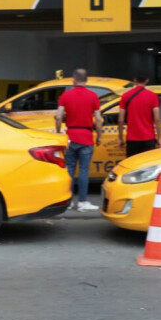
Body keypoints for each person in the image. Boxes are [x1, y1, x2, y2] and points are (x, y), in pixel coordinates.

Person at [55, 68, 103, 212]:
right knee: (83, 170)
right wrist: (99, 135)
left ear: (73, 80)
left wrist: (58, 132)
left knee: (69, 169)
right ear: (86, 80)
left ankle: (68, 201)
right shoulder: (93, 96)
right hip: (86, 137)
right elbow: (99, 119)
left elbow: (58, 117)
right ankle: (83, 202)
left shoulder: (65, 95)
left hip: (71, 136)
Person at [118, 76, 161, 157]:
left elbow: (120, 120)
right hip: (149, 138)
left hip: (132, 139)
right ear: (147, 80)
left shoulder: (125, 96)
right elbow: (157, 119)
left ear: (134, 80)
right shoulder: (153, 96)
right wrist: (159, 138)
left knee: (132, 165)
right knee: (147, 166)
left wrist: (120, 138)